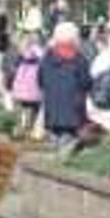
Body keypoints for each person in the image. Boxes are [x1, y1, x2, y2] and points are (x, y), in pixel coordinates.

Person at [38, 21, 91, 149]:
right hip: (73, 114)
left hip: (52, 113)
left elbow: (40, 80)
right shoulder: (79, 59)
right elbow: (86, 83)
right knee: (67, 150)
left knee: (55, 146)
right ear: (74, 38)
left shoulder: (47, 58)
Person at [10, 36, 44, 137]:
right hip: (32, 85)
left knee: (21, 106)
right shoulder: (38, 52)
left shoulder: (22, 55)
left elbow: (14, 68)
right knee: (32, 106)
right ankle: (30, 129)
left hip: (23, 84)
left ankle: (19, 128)